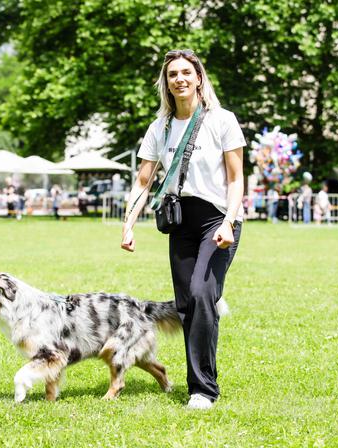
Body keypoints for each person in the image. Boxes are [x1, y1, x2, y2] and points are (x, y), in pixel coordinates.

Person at [121, 49, 246, 410]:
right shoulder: (159, 128)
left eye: (185, 73)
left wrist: (227, 222)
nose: (179, 79)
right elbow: (143, 181)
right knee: (189, 305)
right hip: (180, 221)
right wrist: (128, 224)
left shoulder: (222, 120)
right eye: (172, 74)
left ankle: (202, 390)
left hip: (218, 219)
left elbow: (237, 180)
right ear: (166, 83)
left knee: (201, 295)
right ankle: (207, 304)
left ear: (198, 78)